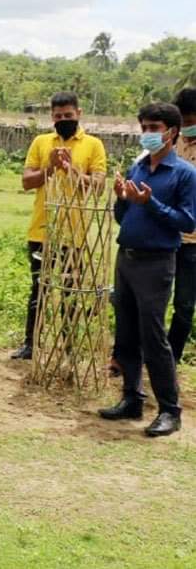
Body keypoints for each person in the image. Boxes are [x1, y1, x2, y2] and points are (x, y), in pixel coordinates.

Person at [100, 102, 196, 437]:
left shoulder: (185, 173)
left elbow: (187, 221)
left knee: (153, 337)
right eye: (144, 127)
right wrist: (122, 199)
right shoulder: (137, 167)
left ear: (171, 132)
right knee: (125, 333)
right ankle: (132, 398)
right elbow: (123, 218)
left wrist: (149, 203)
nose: (148, 134)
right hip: (126, 258)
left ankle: (170, 410)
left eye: (154, 128)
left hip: (157, 262)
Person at [10, 91, 107, 360]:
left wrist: (72, 170)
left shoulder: (93, 145)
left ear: (79, 113)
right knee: (38, 289)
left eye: (68, 115)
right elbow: (27, 181)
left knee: (69, 293)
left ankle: (68, 347)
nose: (63, 119)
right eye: (58, 116)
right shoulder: (42, 142)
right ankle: (31, 344)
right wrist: (51, 167)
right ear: (51, 117)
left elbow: (98, 186)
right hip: (41, 229)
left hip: (73, 233)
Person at [167, 88, 196, 365]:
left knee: (184, 306)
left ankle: (171, 359)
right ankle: (143, 355)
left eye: (191, 120)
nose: (188, 126)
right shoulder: (171, 144)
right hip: (165, 235)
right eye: (184, 121)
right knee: (151, 301)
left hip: (193, 243)